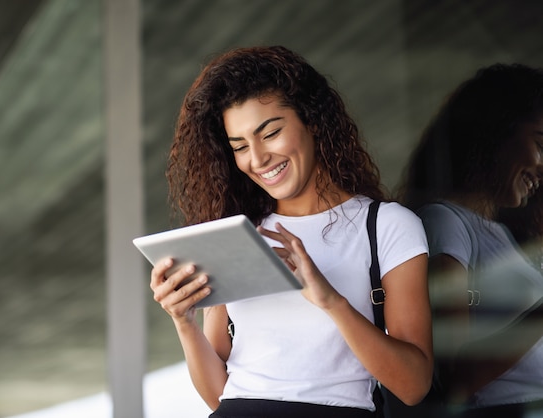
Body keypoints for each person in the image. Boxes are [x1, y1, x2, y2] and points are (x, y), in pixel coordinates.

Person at [150, 45, 433, 417]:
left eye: (270, 133)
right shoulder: (238, 233)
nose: (257, 158)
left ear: (312, 121)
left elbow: (413, 386)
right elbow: (219, 396)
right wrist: (183, 321)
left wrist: (330, 299)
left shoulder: (386, 226)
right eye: (240, 146)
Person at [397, 63, 543, 417]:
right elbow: (455, 375)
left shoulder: (503, 234)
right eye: (540, 143)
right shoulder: (443, 221)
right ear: (494, 133)